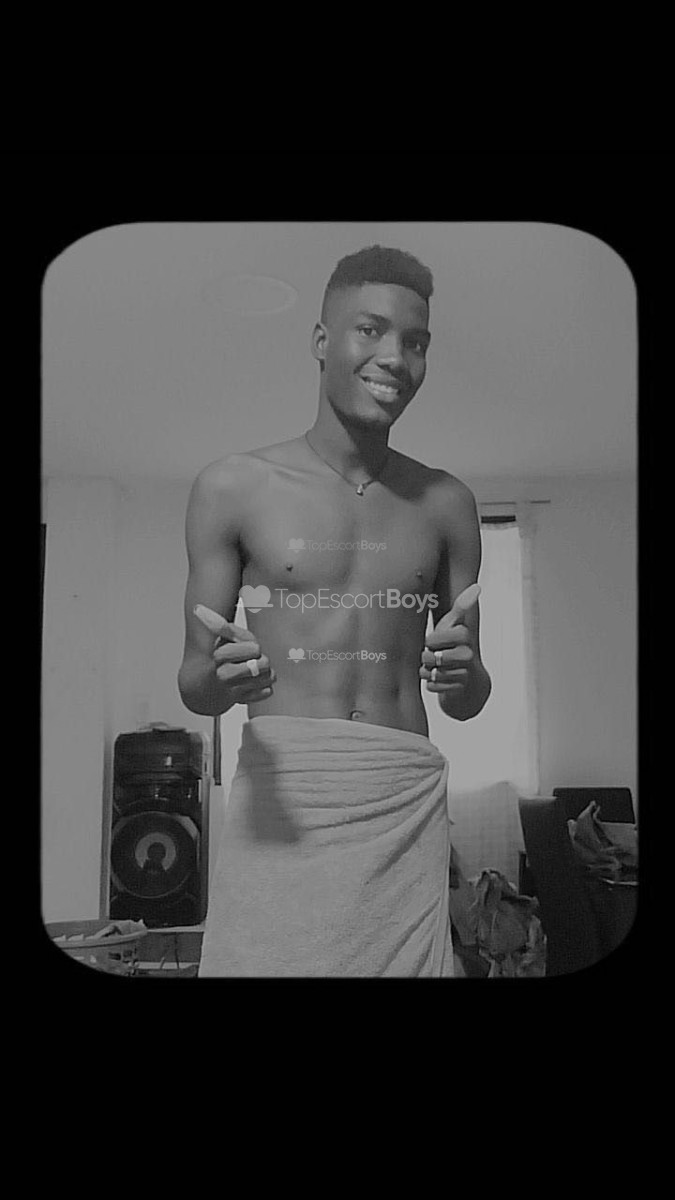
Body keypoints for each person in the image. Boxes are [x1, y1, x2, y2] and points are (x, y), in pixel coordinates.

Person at [178, 245, 492, 977]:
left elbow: (469, 697)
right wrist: (220, 680)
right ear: (322, 341)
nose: (395, 358)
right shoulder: (232, 488)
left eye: (415, 342)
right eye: (370, 330)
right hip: (286, 800)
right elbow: (194, 683)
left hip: (400, 798)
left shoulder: (447, 504)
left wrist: (464, 676)